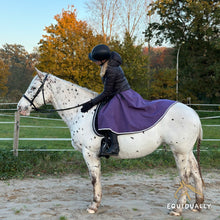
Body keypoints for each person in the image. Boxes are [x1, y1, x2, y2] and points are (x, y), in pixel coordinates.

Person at [81, 44, 130, 157]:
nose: (94, 62)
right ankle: (106, 142)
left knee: (107, 113)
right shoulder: (108, 65)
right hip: (115, 93)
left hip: (122, 95)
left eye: (96, 60)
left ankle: (114, 147)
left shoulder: (111, 70)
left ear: (103, 60)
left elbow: (107, 92)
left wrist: (91, 103)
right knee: (102, 109)